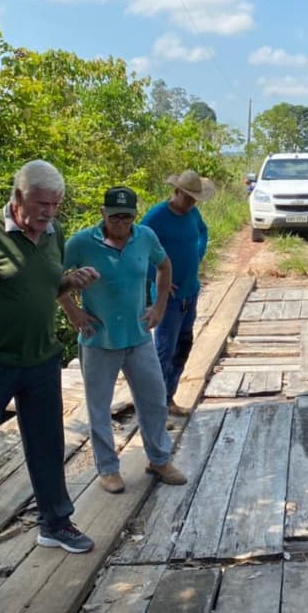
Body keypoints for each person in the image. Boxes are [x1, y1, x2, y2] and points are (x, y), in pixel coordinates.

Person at [0, 160, 97, 603]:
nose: (50, 212)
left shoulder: (53, 232)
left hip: (42, 360)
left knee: (48, 446)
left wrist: (69, 281)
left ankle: (54, 522)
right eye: (42, 203)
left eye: (56, 204)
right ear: (18, 196)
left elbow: (45, 287)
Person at [62, 186, 187, 495]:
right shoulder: (81, 242)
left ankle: (159, 459)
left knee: (154, 400)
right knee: (99, 408)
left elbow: (164, 265)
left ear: (135, 216)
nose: (121, 223)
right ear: (103, 213)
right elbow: (54, 277)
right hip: (98, 338)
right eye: (115, 217)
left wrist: (159, 305)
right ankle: (108, 469)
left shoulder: (145, 237)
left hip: (138, 335)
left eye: (127, 217)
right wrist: (73, 311)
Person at [141, 170, 214, 416]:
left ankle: (169, 396)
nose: (192, 203)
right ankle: (156, 404)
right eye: (188, 197)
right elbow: (136, 249)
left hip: (190, 291)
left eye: (195, 199)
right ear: (177, 192)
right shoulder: (156, 217)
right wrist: (157, 276)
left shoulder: (193, 214)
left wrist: (199, 252)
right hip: (168, 298)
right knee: (165, 349)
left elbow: (202, 231)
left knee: (183, 346)